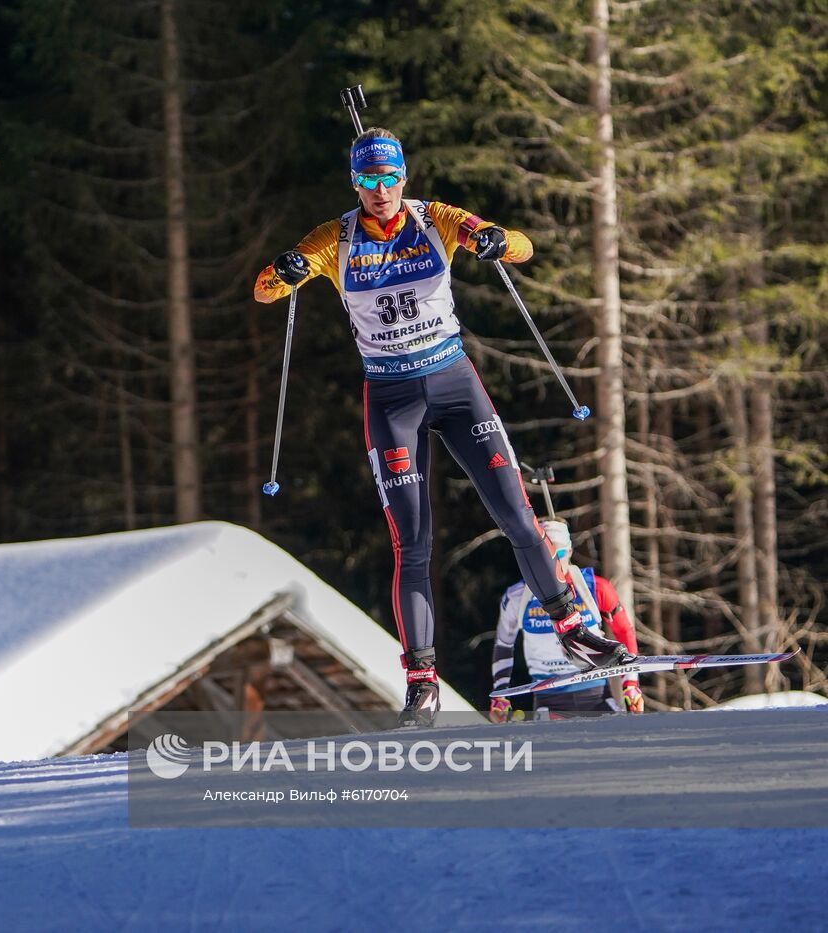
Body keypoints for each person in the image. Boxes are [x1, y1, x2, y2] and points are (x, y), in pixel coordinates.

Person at [253, 127, 631, 727]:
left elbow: (523, 248)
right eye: (368, 180)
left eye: (389, 178)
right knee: (414, 544)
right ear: (355, 183)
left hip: (454, 386)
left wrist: (493, 241)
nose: (380, 191)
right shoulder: (336, 238)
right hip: (392, 399)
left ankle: (573, 630)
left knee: (518, 517)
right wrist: (288, 268)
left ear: (404, 177)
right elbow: (266, 290)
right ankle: (423, 682)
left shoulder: (437, 219)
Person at [489, 519, 644, 721]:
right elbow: (503, 644)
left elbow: (624, 631)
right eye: (546, 556)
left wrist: (630, 684)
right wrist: (500, 692)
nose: (553, 564)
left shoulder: (595, 588)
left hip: (595, 691)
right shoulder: (517, 597)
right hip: (549, 698)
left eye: (559, 554)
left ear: (569, 552)